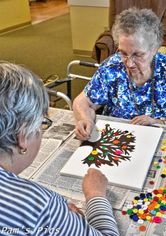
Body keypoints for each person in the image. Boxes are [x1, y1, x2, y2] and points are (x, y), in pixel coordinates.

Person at [0, 62, 119, 236]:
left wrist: (60, 219)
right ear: (23, 137)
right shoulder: (37, 206)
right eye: (42, 123)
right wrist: (96, 195)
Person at [73, 8, 166, 141]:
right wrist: (85, 119)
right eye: (123, 53)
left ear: (154, 49)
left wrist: (160, 122)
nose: (129, 63)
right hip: (117, 140)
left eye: (137, 54)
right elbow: (81, 102)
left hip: (159, 138)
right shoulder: (111, 67)